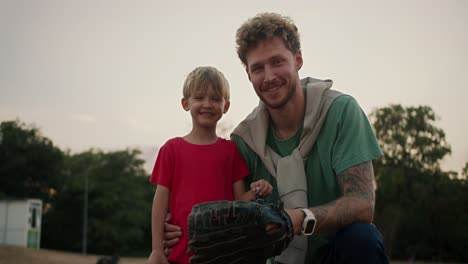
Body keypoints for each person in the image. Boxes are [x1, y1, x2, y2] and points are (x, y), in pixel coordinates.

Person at [164, 13, 390, 263]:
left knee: (362, 238)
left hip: (332, 254)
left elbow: (362, 204)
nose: (269, 76)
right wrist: (177, 226)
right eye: (258, 68)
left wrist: (297, 219)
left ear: (298, 60)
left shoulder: (340, 111)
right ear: (249, 75)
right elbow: (223, 204)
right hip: (272, 257)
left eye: (277, 62)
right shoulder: (244, 140)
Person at [146, 66, 273, 264]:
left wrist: (258, 189)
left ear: (226, 106)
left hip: (223, 255)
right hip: (179, 256)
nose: (207, 104)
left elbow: (239, 201)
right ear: (185, 103)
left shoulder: (230, 151)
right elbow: (160, 201)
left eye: (215, 99)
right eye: (199, 98)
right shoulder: (171, 149)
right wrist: (156, 250)